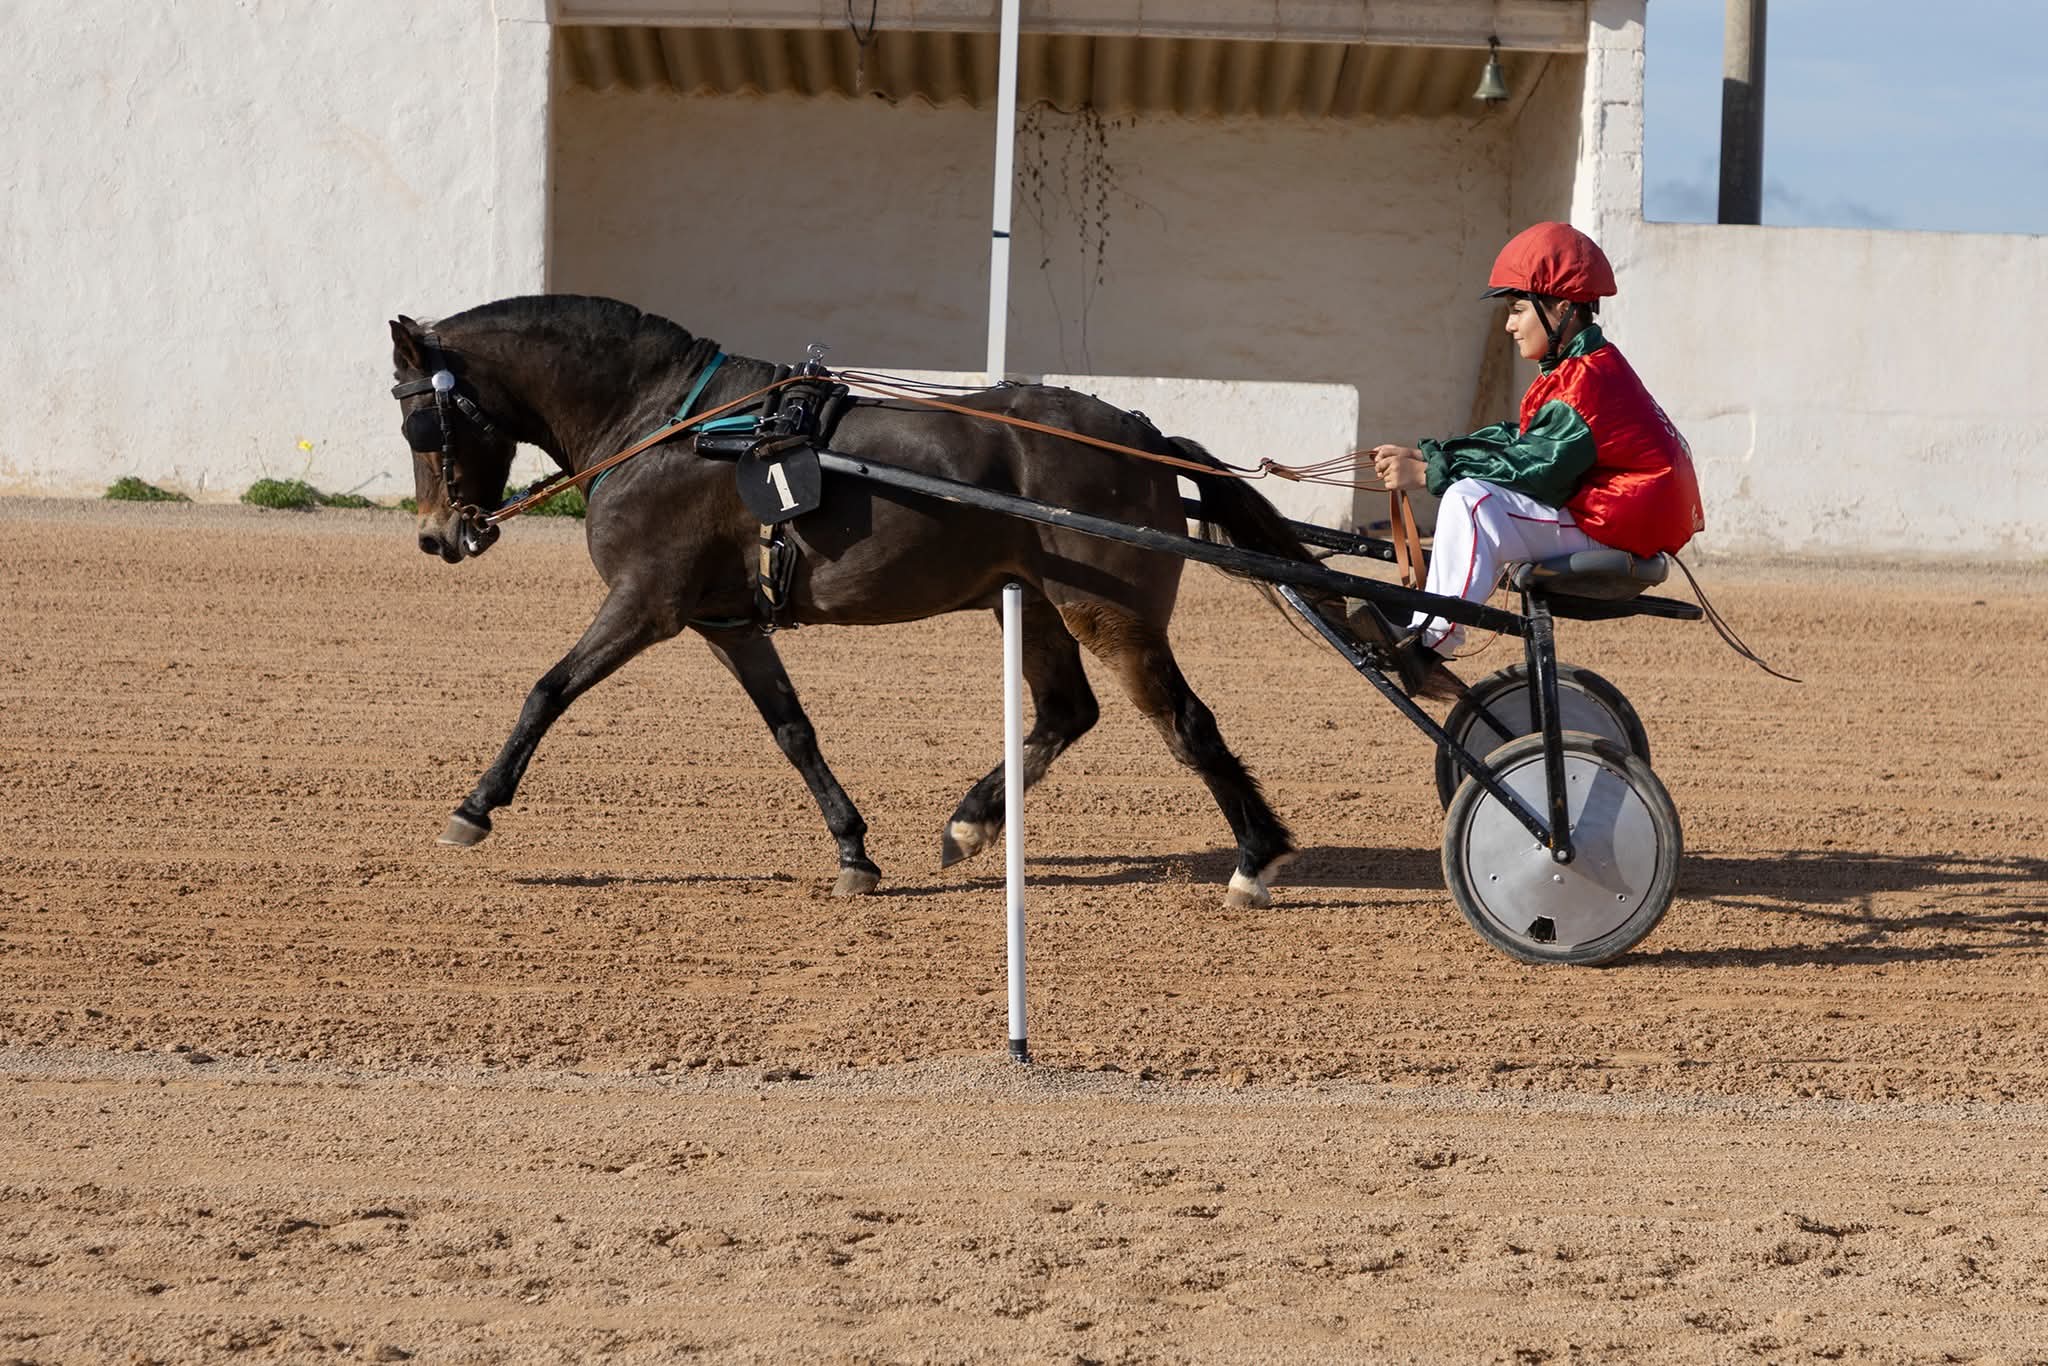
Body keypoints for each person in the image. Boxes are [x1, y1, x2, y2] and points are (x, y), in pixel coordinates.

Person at [1365, 221, 1704, 696]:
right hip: (1604, 522)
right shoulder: (1580, 371)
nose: (1508, 324)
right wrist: (1429, 455)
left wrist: (1430, 473)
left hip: (1610, 532)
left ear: (1562, 308)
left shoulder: (1587, 382)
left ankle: (1429, 643)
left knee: (1471, 502)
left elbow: (1536, 471)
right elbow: (1521, 441)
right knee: (1473, 498)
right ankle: (1426, 620)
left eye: (1517, 309)